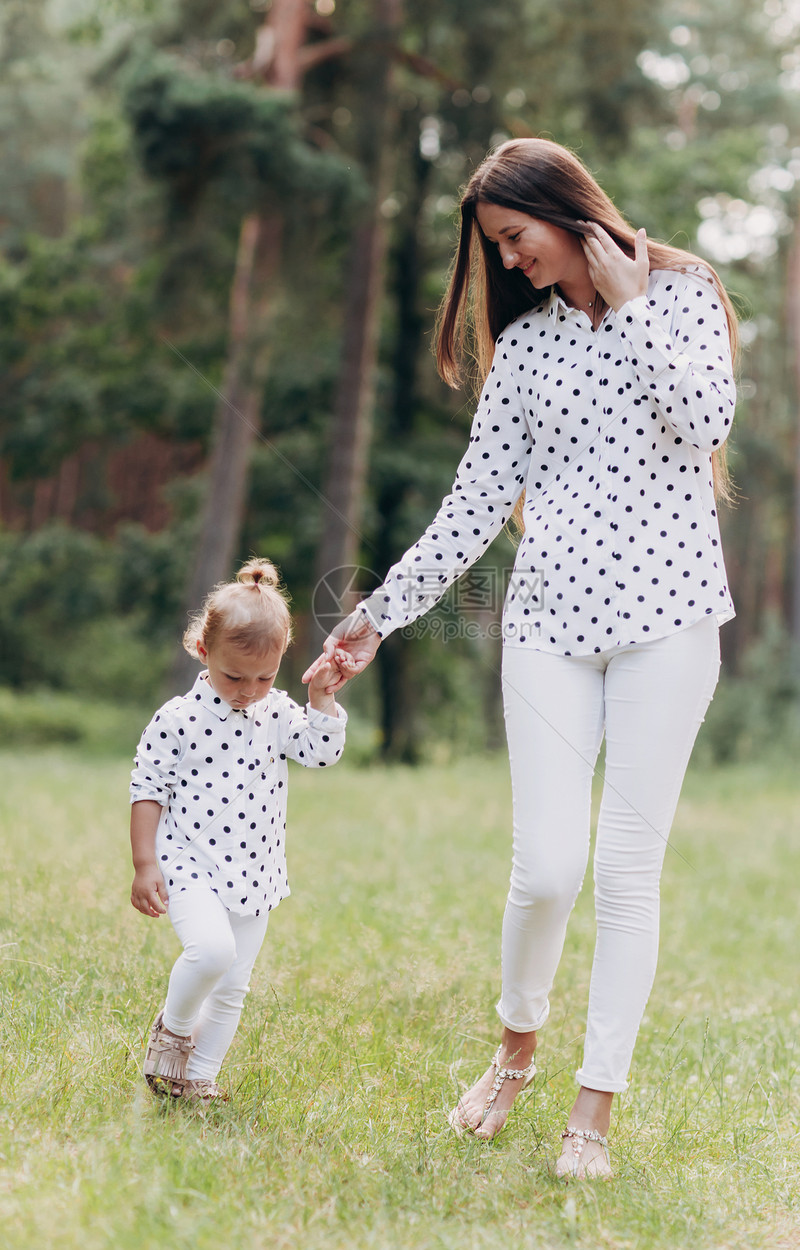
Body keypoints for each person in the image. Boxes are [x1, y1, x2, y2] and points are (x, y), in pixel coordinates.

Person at [305, 137, 737, 1178]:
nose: (509, 262)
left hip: (667, 630)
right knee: (545, 870)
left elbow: (706, 421)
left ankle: (591, 1111)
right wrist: (376, 617)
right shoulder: (528, 350)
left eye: (514, 239)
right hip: (545, 633)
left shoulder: (682, 297)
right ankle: (513, 1050)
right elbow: (468, 508)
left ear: (562, 207)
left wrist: (630, 307)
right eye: (495, 251)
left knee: (627, 875)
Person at [130, 558, 349, 1102]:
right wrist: (144, 863)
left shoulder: (276, 712)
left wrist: (321, 698)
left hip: (255, 871)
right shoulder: (176, 719)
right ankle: (172, 1033)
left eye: (264, 677)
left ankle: (198, 1077)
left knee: (232, 988)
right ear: (203, 651)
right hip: (188, 862)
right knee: (209, 951)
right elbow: (147, 788)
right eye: (234, 675)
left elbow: (320, 753)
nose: (249, 689)